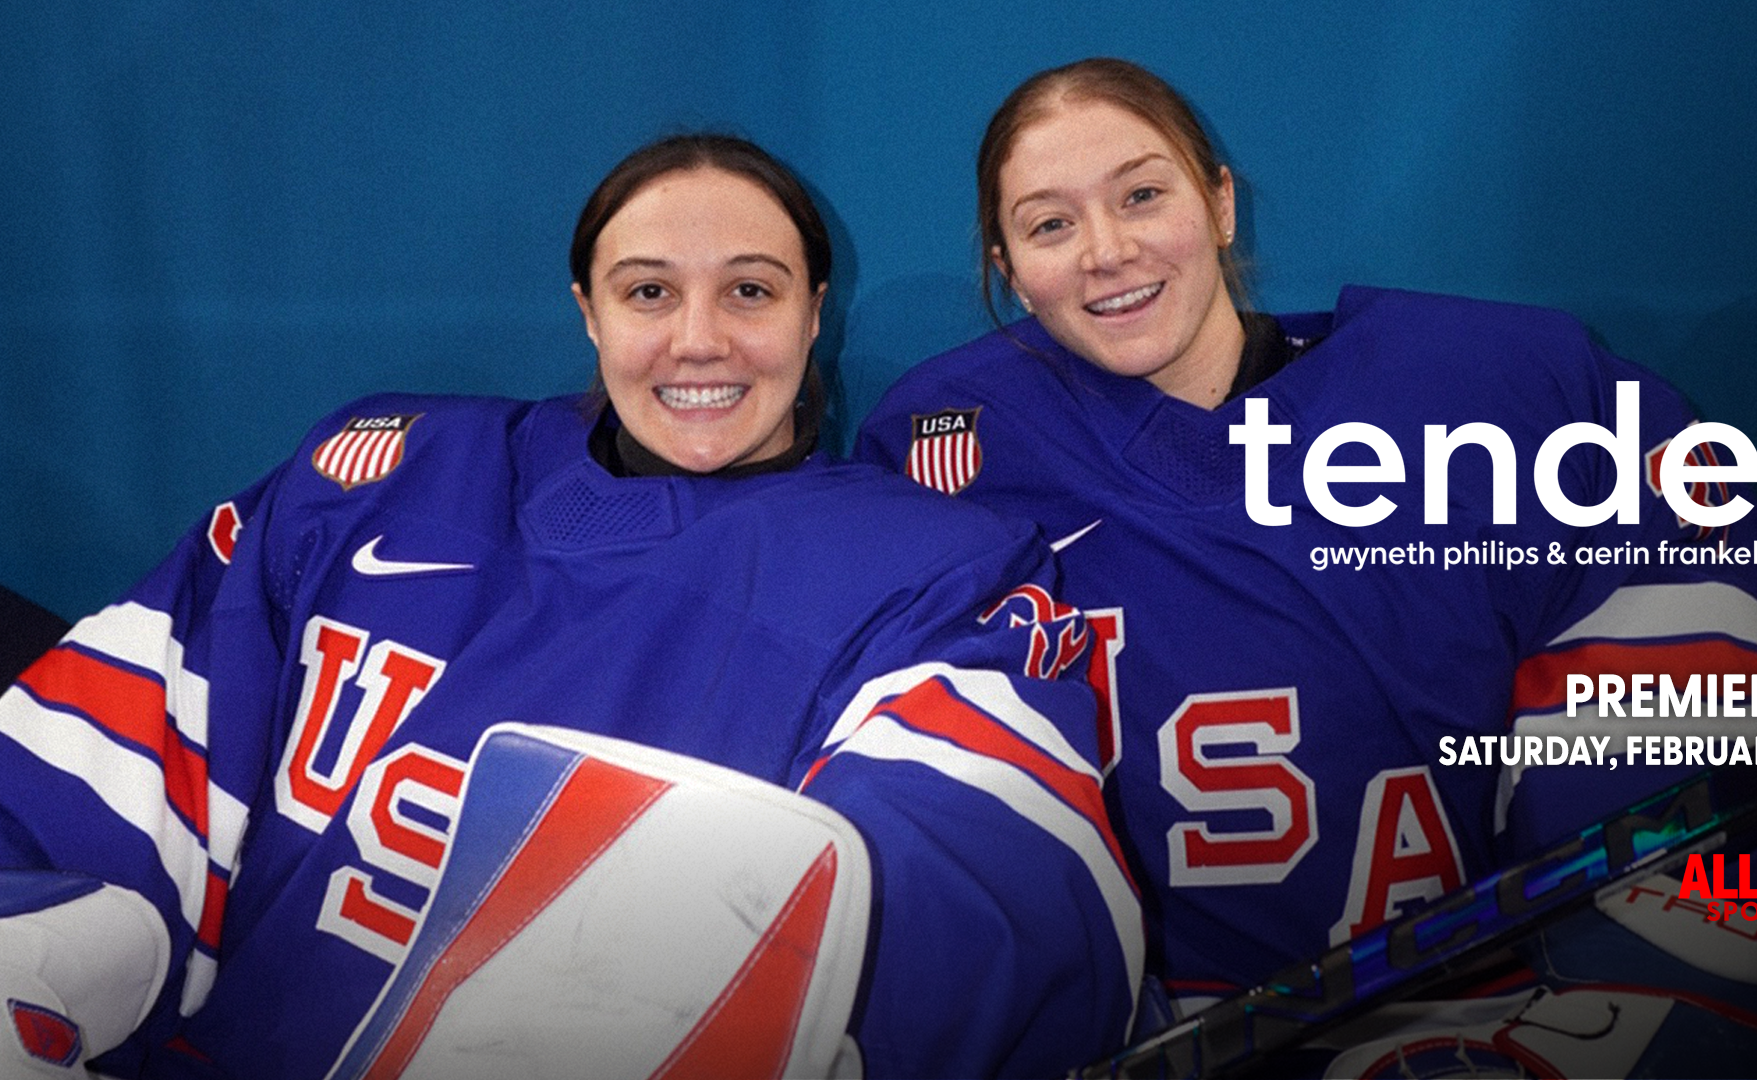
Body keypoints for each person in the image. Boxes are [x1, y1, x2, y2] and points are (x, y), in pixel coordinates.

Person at [0, 134, 1141, 1079]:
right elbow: (103, 766)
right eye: (650, 292)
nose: (700, 339)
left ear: (812, 315)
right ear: (588, 312)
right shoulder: (387, 474)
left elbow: (1000, 892)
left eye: (751, 290)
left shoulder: (940, 569)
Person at [855, 58, 1757, 1073]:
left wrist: (1620, 1006)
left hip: (1495, 1015)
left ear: (1221, 202)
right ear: (1009, 266)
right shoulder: (952, 451)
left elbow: (1701, 674)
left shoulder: (1505, 392)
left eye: (1142, 194)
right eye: (1050, 224)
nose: (1107, 251)